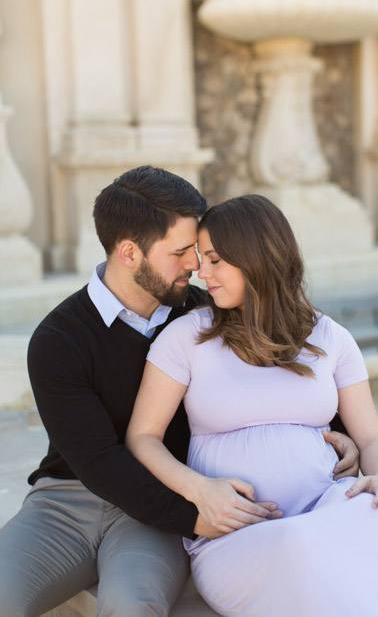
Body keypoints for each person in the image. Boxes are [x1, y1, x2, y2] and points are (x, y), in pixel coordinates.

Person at [0, 168, 357, 617]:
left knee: (132, 606)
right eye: (182, 251)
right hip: (66, 499)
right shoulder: (59, 339)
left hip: (158, 504)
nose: (197, 265)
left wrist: (339, 432)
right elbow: (99, 461)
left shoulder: (209, 314)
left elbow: (283, 364)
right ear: (129, 252)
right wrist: (196, 516)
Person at [126, 193, 378, 617]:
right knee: (300, 547)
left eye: (215, 260)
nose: (202, 271)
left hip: (330, 504)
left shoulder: (330, 337)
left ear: (255, 258)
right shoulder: (187, 337)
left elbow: (372, 436)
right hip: (237, 536)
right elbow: (143, 437)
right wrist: (199, 490)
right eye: (202, 257)